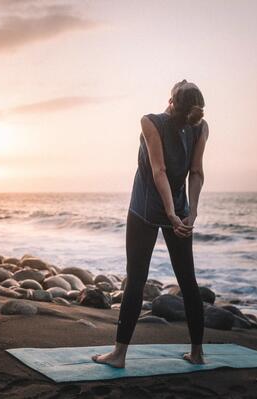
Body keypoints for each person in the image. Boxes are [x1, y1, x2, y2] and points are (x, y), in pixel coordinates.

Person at [92, 79, 209, 368]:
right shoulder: (201, 127)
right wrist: (188, 213)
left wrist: (174, 214)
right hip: (177, 207)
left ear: (170, 101)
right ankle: (197, 354)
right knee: (187, 281)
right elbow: (195, 173)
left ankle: (119, 355)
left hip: (146, 207)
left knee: (136, 279)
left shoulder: (150, 121)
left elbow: (159, 171)